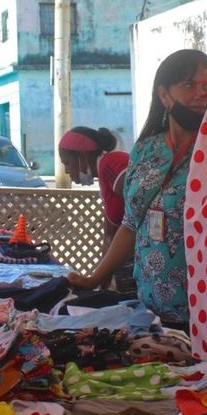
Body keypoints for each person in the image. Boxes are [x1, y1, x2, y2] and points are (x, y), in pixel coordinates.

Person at [68, 49, 207, 329]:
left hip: (206, 310)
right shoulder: (146, 150)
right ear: (164, 95)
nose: (201, 93)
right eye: (189, 84)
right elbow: (130, 224)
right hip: (149, 306)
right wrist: (95, 278)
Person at [58, 126, 134, 294]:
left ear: (81, 155)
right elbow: (110, 237)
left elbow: (140, 200)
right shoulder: (105, 178)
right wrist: (99, 282)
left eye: (67, 163)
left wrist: (96, 280)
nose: (67, 171)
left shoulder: (111, 163)